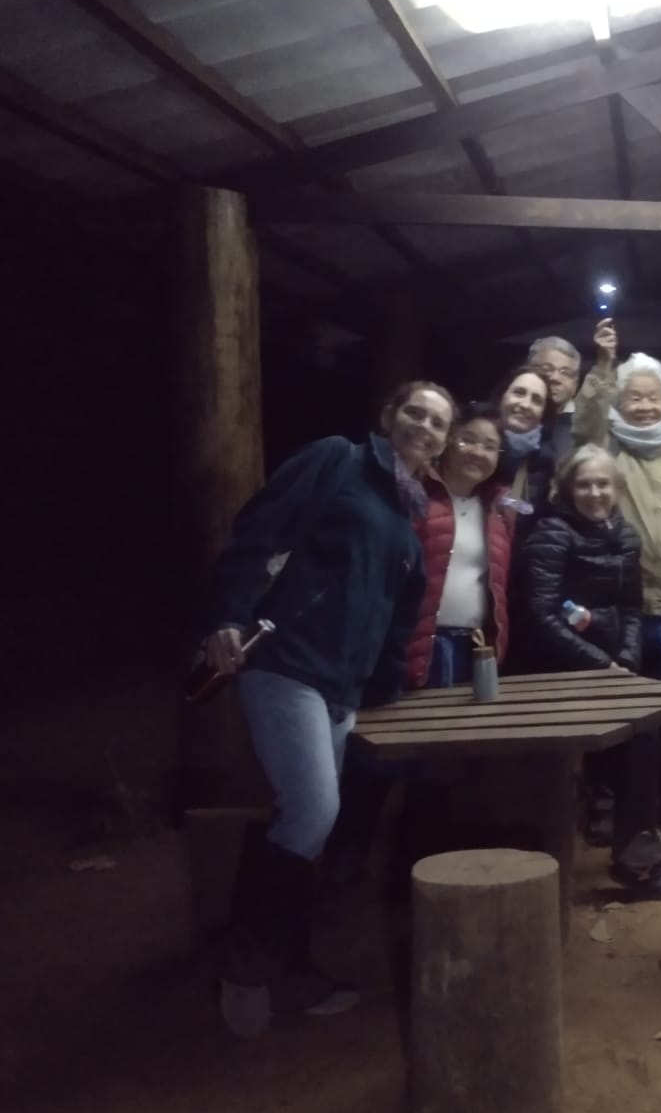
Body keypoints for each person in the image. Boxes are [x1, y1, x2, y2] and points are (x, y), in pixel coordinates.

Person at [200, 380, 452, 1038]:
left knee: (307, 822)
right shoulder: (339, 459)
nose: (425, 427)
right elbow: (259, 530)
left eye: (438, 423)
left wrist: (387, 692)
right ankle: (246, 967)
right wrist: (228, 613)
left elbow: (396, 623)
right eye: (415, 412)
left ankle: (290, 964)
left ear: (442, 444)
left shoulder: (409, 516)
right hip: (285, 663)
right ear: (389, 416)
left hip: (342, 689)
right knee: (314, 811)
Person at [324, 402, 517, 890]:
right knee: (377, 758)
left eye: (490, 446)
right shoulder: (413, 495)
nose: (477, 452)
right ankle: (340, 875)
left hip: (467, 652)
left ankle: (412, 879)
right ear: (448, 442)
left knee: (437, 768)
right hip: (409, 644)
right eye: (468, 439)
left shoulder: (498, 509)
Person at [519, 446, 661, 899]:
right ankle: (637, 861)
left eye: (603, 484)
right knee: (641, 736)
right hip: (558, 672)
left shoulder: (624, 535)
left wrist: (627, 661)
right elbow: (541, 615)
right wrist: (605, 666)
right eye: (584, 484)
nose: (595, 493)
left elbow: (631, 609)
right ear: (567, 489)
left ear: (617, 488)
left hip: (610, 667)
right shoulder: (552, 534)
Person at [572, 325, 661, 871]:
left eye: (654, 397)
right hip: (620, 608)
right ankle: (621, 816)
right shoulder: (606, 444)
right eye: (635, 397)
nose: (645, 406)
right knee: (620, 716)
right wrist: (603, 368)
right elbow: (586, 423)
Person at [491, 363, 554, 511]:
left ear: (543, 413)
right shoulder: (474, 442)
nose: (526, 405)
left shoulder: (546, 465)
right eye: (519, 393)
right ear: (502, 396)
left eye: (536, 400)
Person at [527, 334, 584, 464]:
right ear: (528, 371)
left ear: (575, 384)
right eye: (546, 369)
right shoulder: (509, 416)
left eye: (565, 373)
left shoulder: (585, 429)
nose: (555, 378)